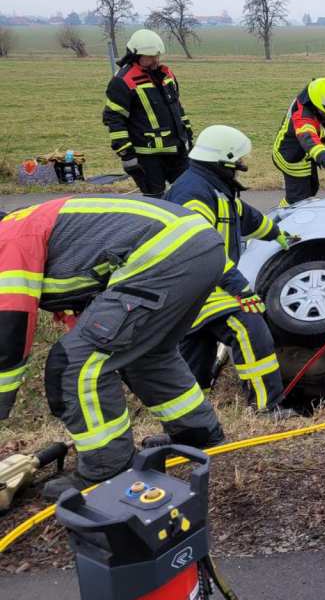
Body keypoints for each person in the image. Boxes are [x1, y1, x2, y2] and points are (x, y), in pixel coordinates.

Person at [0, 196, 225, 498]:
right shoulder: (26, 227)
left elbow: (9, 334)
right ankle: (196, 433)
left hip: (163, 253)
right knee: (146, 355)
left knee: (75, 366)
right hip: (197, 247)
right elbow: (89, 313)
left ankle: (108, 469)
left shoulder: (9, 240)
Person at [166, 126, 289, 412]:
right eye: (239, 160)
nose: (242, 166)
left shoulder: (212, 187)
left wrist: (277, 233)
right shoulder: (192, 195)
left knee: (195, 354)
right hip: (198, 285)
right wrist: (239, 287)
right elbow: (200, 248)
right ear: (225, 160)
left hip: (199, 287)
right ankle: (267, 408)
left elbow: (243, 216)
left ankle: (191, 412)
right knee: (249, 328)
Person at [103, 29, 193, 198]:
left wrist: (188, 135)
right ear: (135, 55)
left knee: (187, 194)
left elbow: (177, 107)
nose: (155, 60)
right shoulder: (122, 81)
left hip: (177, 150)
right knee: (156, 201)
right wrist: (126, 153)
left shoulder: (166, 74)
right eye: (150, 56)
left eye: (157, 56)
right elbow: (114, 118)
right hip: (147, 156)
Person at [272, 77, 325, 205]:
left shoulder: (317, 95)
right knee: (299, 200)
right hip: (292, 159)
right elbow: (309, 140)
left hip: (305, 155)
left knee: (312, 187)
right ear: (316, 105)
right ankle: (280, 220)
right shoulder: (303, 117)